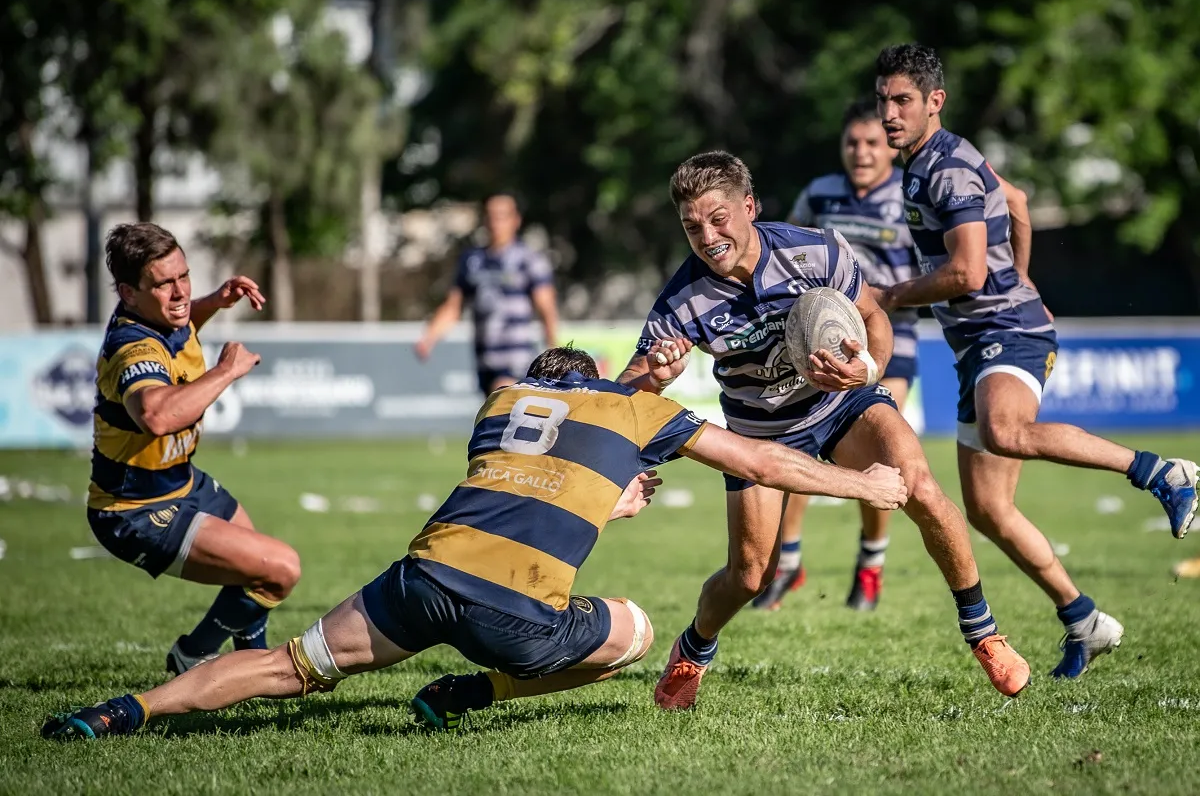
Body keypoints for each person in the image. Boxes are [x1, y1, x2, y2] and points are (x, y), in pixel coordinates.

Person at [42, 346, 908, 741]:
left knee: (287, 667)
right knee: (635, 631)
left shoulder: (498, 405)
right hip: (514, 620)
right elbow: (758, 457)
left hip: (420, 582)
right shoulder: (635, 413)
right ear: (601, 387)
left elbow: (534, 484)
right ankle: (474, 693)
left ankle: (123, 712)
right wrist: (868, 484)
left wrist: (610, 492)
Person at [619, 151, 1033, 709]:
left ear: (750, 207)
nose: (707, 236)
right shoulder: (682, 298)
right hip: (759, 434)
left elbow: (875, 318)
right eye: (692, 227)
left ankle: (984, 633)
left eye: (719, 219)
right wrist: (658, 375)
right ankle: (693, 648)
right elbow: (629, 388)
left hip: (842, 404)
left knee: (922, 488)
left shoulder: (815, 249)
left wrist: (868, 368)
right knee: (749, 576)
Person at [873, 43, 1198, 678]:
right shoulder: (932, 162)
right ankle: (1083, 619)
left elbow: (965, 272)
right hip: (978, 341)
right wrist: (1022, 276)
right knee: (989, 510)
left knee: (1007, 431)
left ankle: (1164, 473)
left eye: (902, 100)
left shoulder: (945, 168)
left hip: (1006, 333)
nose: (889, 113)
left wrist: (888, 297)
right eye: (883, 100)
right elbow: (1018, 201)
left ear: (934, 102)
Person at [86, 223, 301, 675]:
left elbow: (180, 325)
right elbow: (157, 415)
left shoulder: (163, 316)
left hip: (182, 481)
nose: (180, 291)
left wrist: (215, 302)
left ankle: (247, 666)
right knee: (279, 569)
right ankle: (193, 655)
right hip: (133, 510)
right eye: (163, 283)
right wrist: (226, 371)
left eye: (183, 275)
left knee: (258, 563)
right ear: (128, 292)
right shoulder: (132, 347)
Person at [757, 97, 924, 612]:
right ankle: (787, 563)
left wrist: (885, 297)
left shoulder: (909, 197)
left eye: (873, 142)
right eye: (852, 142)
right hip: (818, 349)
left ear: (890, 148)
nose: (862, 151)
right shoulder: (820, 194)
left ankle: (871, 563)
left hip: (888, 344)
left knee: (882, 456)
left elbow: (937, 267)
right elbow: (781, 253)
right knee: (798, 448)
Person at [416, 191, 559, 395]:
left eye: (502, 216)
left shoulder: (528, 259)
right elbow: (453, 306)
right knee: (496, 418)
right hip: (485, 359)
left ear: (515, 220)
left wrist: (553, 349)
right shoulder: (472, 261)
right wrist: (430, 338)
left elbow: (546, 307)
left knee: (502, 403)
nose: (495, 223)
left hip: (515, 358)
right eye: (491, 216)